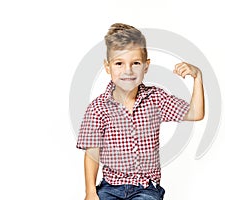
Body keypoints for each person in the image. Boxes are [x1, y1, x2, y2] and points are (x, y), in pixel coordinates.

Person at [76, 23, 205, 200]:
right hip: (110, 188)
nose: (128, 70)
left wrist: (198, 77)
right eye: (119, 63)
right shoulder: (98, 108)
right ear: (108, 67)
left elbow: (196, 113)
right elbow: (92, 154)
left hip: (145, 188)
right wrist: (90, 192)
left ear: (146, 66)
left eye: (135, 63)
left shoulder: (156, 99)